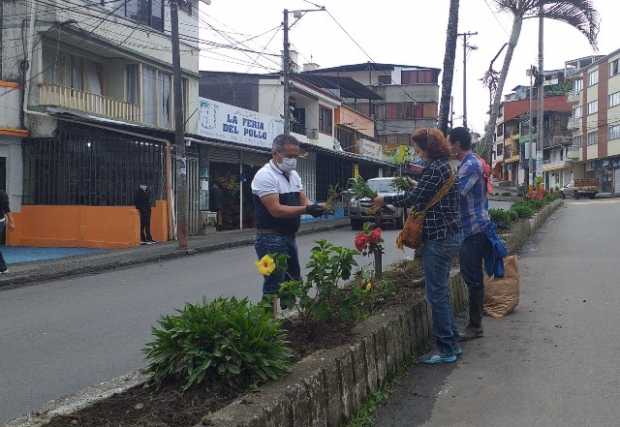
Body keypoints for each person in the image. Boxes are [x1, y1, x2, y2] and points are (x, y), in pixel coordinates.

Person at [373, 128, 462, 364]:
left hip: (439, 237)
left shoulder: (435, 168)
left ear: (428, 148)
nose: (416, 152)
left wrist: (384, 199)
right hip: (451, 234)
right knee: (441, 290)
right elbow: (425, 192)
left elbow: (413, 199)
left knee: (436, 295)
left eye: (418, 148)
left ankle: (446, 350)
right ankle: (452, 342)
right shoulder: (448, 165)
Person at [252, 134, 325, 305]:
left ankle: (288, 317)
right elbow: (276, 210)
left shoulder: (293, 175)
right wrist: (307, 209)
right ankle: (269, 323)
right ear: (275, 153)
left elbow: (302, 198)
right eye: (289, 156)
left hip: (289, 236)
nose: (293, 160)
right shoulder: (265, 176)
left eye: (296, 156)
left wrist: (315, 206)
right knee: (274, 284)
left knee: (293, 281)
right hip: (270, 238)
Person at [449, 127, 492, 341]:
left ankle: (475, 326)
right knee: (473, 276)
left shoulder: (470, 165)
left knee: (472, 278)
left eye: (450, 143)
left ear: (457, 144)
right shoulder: (470, 162)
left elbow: (456, 194)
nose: (449, 147)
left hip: (474, 229)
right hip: (474, 227)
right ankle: (476, 319)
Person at [0, 190, 15, 274]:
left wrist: (11, 222)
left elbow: (7, 209)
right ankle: (3, 268)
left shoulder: (2, 194)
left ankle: (3, 268)